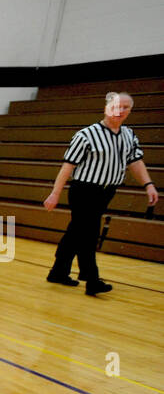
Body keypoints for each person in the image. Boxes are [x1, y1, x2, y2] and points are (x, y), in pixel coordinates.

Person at [43, 92, 157, 296]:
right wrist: (55, 194)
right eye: (116, 106)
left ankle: (58, 272)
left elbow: (136, 162)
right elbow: (67, 166)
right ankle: (91, 279)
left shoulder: (129, 135)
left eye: (125, 107)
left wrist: (148, 184)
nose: (120, 111)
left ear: (130, 111)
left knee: (76, 231)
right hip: (84, 191)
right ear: (106, 107)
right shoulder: (86, 135)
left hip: (107, 192)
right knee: (89, 233)